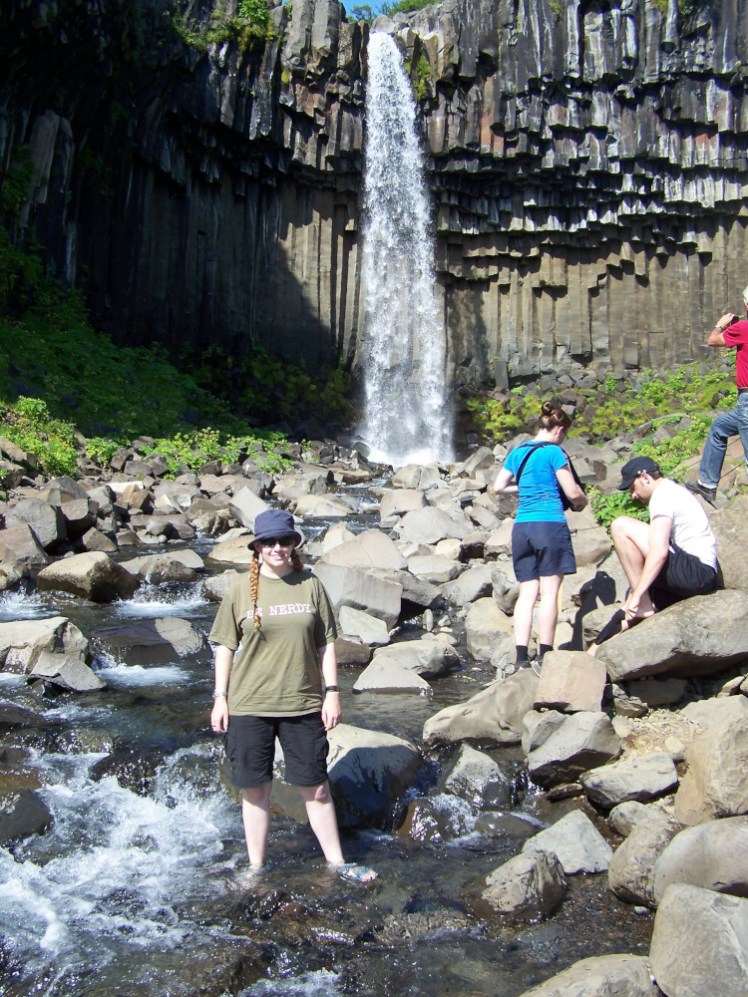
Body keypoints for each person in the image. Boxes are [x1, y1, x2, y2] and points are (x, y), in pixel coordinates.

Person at [209, 508, 376, 886]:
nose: (278, 548)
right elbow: (224, 647)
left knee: (315, 788)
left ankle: (337, 862)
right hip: (248, 704)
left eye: (284, 541)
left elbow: (326, 644)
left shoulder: (310, 584)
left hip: (302, 703)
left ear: (293, 544)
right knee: (255, 790)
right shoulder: (238, 589)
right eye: (269, 542)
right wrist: (220, 697)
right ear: (257, 547)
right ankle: (256, 867)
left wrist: (332, 693)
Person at [493, 402, 588, 671]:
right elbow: (572, 492)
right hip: (549, 524)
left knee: (527, 593)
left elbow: (499, 487)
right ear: (559, 429)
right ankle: (545, 654)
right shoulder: (554, 452)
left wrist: (523, 486)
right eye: (565, 434)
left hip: (522, 528)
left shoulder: (518, 452)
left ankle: (521, 656)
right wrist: (583, 500)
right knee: (549, 594)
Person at [590, 456, 719, 650]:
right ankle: (594, 652)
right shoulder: (674, 491)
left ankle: (642, 601)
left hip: (696, 572)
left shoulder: (663, 495)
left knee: (620, 525)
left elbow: (659, 552)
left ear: (644, 477)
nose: (633, 495)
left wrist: (637, 594)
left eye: (632, 488)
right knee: (628, 613)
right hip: (693, 577)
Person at [687, 285, 748, 504]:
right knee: (720, 427)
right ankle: (707, 484)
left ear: (746, 305)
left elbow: (713, 340)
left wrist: (720, 325)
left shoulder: (743, 328)